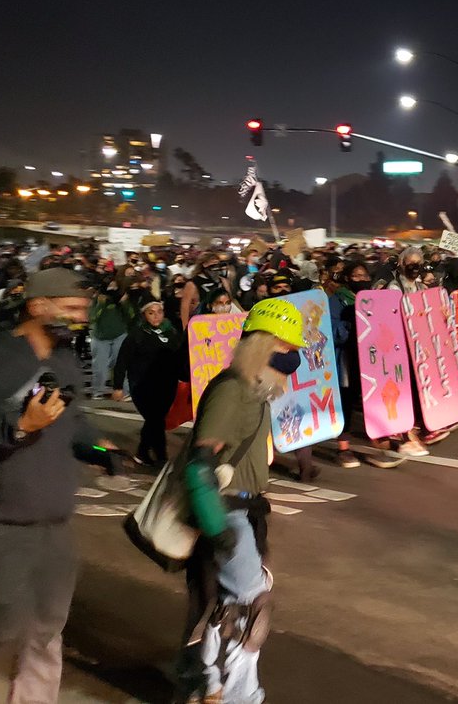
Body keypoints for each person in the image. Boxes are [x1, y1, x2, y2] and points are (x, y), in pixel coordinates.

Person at [0, 269, 113, 703]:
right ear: (38, 306)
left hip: (52, 517)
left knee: (49, 623)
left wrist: (96, 446)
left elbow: (71, 422)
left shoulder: (65, 362)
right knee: (4, 620)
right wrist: (17, 427)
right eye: (71, 309)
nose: (80, 319)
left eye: (83, 311)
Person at [174, 298, 305, 704]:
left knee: (234, 607)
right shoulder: (232, 389)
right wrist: (218, 526)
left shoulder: (254, 390)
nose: (292, 356)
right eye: (284, 347)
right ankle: (224, 693)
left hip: (245, 511)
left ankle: (211, 688)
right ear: (261, 344)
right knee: (243, 612)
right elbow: (200, 465)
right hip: (226, 512)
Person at [112, 297, 182, 466]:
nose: (156, 316)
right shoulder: (136, 335)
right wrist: (118, 386)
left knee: (157, 420)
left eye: (159, 312)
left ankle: (144, 452)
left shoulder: (172, 332)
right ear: (144, 315)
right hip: (142, 385)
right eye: (151, 313)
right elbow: (122, 361)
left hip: (166, 384)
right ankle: (160, 455)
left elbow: (180, 357)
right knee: (155, 419)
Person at [88, 277, 129, 399]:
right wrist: (101, 304)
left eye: (114, 286)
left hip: (119, 335)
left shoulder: (119, 300)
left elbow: (129, 315)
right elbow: (92, 318)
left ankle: (125, 392)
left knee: (121, 365)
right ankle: (97, 391)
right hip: (100, 338)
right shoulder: (97, 300)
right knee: (100, 366)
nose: (112, 288)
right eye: (110, 285)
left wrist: (125, 303)